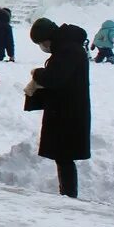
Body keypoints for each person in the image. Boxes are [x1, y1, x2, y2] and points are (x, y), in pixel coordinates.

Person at [27, 18, 92, 198]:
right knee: (63, 156)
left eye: (41, 42)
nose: (42, 46)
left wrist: (37, 73)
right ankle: (67, 193)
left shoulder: (68, 50)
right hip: (66, 109)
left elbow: (55, 78)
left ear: (48, 38)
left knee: (64, 156)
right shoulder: (68, 47)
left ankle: (69, 195)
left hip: (69, 112)